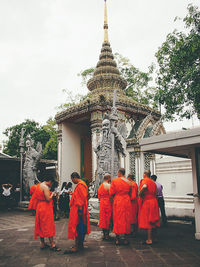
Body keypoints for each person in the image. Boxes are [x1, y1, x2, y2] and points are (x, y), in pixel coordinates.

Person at [65, 172, 90, 254]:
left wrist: (79, 210)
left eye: (72, 179)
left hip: (78, 209)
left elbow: (82, 199)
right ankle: (80, 244)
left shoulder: (81, 185)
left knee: (77, 226)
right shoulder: (81, 185)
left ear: (74, 177)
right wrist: (73, 194)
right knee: (80, 226)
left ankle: (77, 246)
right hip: (79, 208)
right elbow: (80, 196)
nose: (72, 181)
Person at [34, 177, 61, 251]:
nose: (51, 185)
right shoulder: (45, 187)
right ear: (50, 181)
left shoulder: (39, 185)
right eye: (51, 184)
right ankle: (52, 244)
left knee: (41, 225)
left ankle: (42, 243)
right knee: (48, 225)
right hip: (45, 207)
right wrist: (52, 194)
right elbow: (48, 199)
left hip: (39, 206)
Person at [109, 168, 132, 245]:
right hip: (127, 201)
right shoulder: (129, 182)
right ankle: (126, 238)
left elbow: (111, 193)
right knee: (126, 219)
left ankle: (117, 239)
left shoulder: (115, 181)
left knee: (117, 218)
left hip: (118, 200)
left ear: (119, 173)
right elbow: (130, 193)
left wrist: (113, 201)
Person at [138, 170, 160, 245]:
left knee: (149, 220)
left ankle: (149, 239)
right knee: (154, 219)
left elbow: (144, 186)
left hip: (148, 202)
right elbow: (156, 193)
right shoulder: (153, 183)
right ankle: (155, 238)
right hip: (154, 201)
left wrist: (140, 193)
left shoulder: (145, 180)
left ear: (144, 174)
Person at [98, 173, 112, 240]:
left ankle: (104, 234)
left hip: (102, 203)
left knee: (103, 219)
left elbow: (99, 196)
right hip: (108, 203)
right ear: (109, 178)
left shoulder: (101, 186)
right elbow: (111, 196)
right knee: (108, 218)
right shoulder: (109, 186)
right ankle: (107, 235)